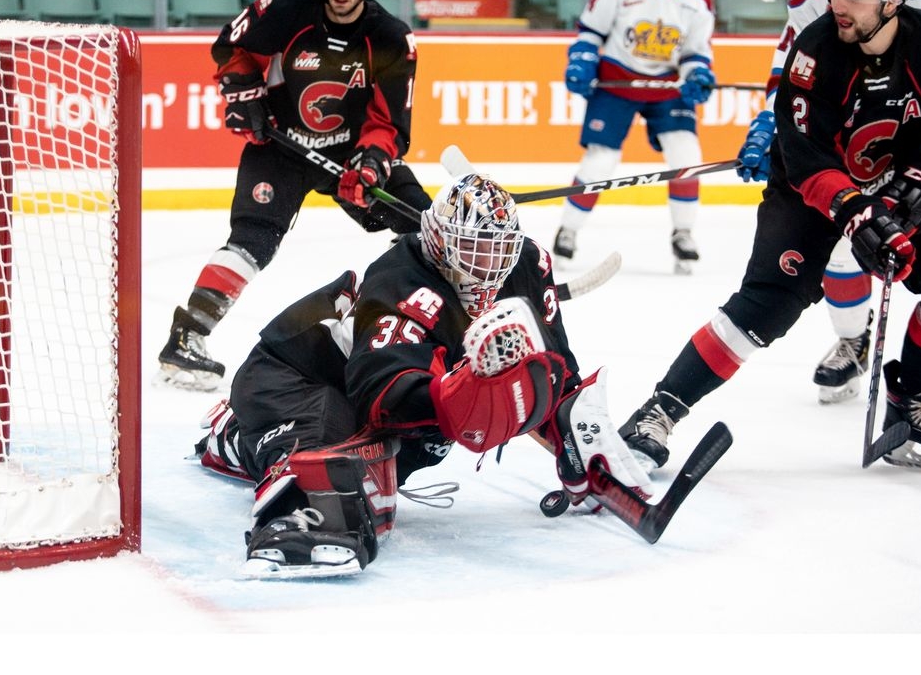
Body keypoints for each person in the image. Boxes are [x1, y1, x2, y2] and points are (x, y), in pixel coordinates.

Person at [194, 174, 654, 578]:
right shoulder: (401, 279)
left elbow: (552, 365)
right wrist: (465, 396)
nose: (490, 268)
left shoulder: (525, 265)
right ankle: (288, 505)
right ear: (440, 242)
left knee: (402, 457)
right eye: (475, 250)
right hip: (295, 376)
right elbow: (384, 396)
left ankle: (242, 436)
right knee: (340, 462)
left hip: (367, 386)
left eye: (499, 251)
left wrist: (576, 433)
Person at [619, 0, 921, 473]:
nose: (838, 4)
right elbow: (807, 159)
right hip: (812, 189)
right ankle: (658, 412)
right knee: (768, 304)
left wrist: (914, 187)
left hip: (893, 181)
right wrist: (855, 212)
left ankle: (913, 402)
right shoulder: (816, 49)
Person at [158, 0, 433, 391]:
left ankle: (426, 334)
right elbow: (232, 47)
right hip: (280, 149)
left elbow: (389, 123)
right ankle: (186, 337)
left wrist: (371, 164)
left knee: (423, 224)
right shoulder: (286, 7)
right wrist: (243, 90)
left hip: (349, 156)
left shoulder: (390, 38)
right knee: (253, 240)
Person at [738, 0, 921, 405]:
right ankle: (853, 339)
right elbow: (792, 66)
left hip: (914, 140)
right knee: (846, 243)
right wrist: (774, 124)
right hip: (850, 134)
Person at [552, 0, 717, 275]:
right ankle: (568, 230)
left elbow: (695, 53)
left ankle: (683, 233)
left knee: (686, 155)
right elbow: (591, 31)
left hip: (668, 86)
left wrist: (698, 75)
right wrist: (582, 60)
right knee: (600, 161)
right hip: (617, 81)